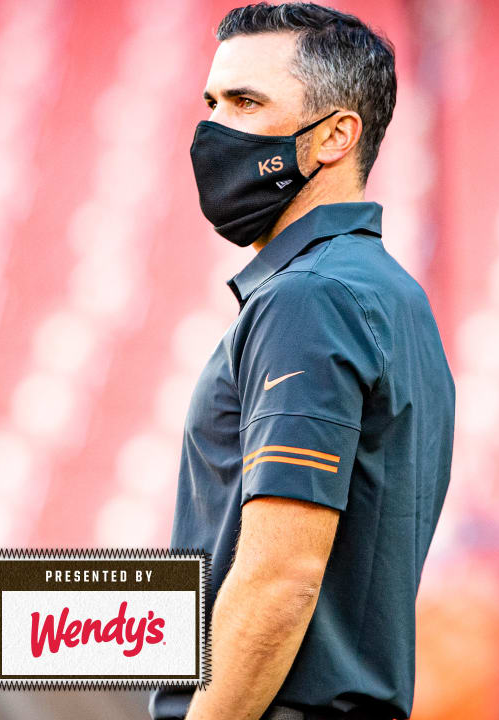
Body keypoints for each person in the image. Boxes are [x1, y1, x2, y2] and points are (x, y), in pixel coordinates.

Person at [149, 3, 455, 719]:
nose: (214, 129)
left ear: (335, 136)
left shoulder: (310, 297)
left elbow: (281, 578)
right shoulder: (390, 294)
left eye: (246, 102)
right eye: (212, 102)